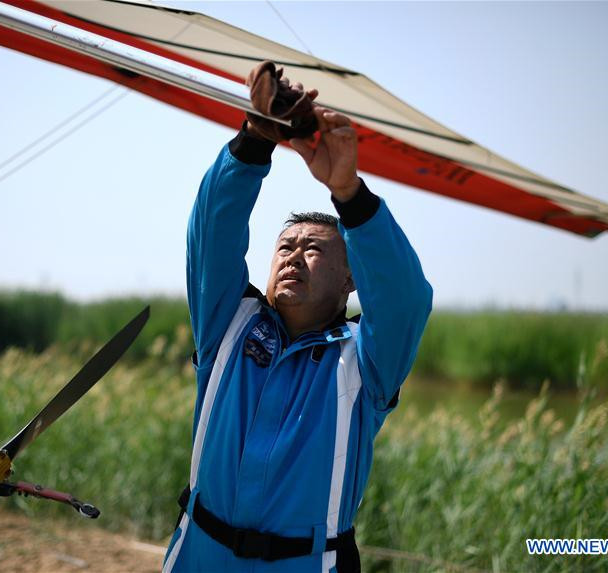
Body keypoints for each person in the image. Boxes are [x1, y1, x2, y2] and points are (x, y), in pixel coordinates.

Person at [162, 77, 433, 573]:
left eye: (313, 250)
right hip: (198, 555)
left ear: (352, 276)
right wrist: (256, 137)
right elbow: (211, 233)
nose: (293, 258)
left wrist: (348, 193)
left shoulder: (364, 361)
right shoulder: (228, 323)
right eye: (285, 247)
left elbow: (405, 299)